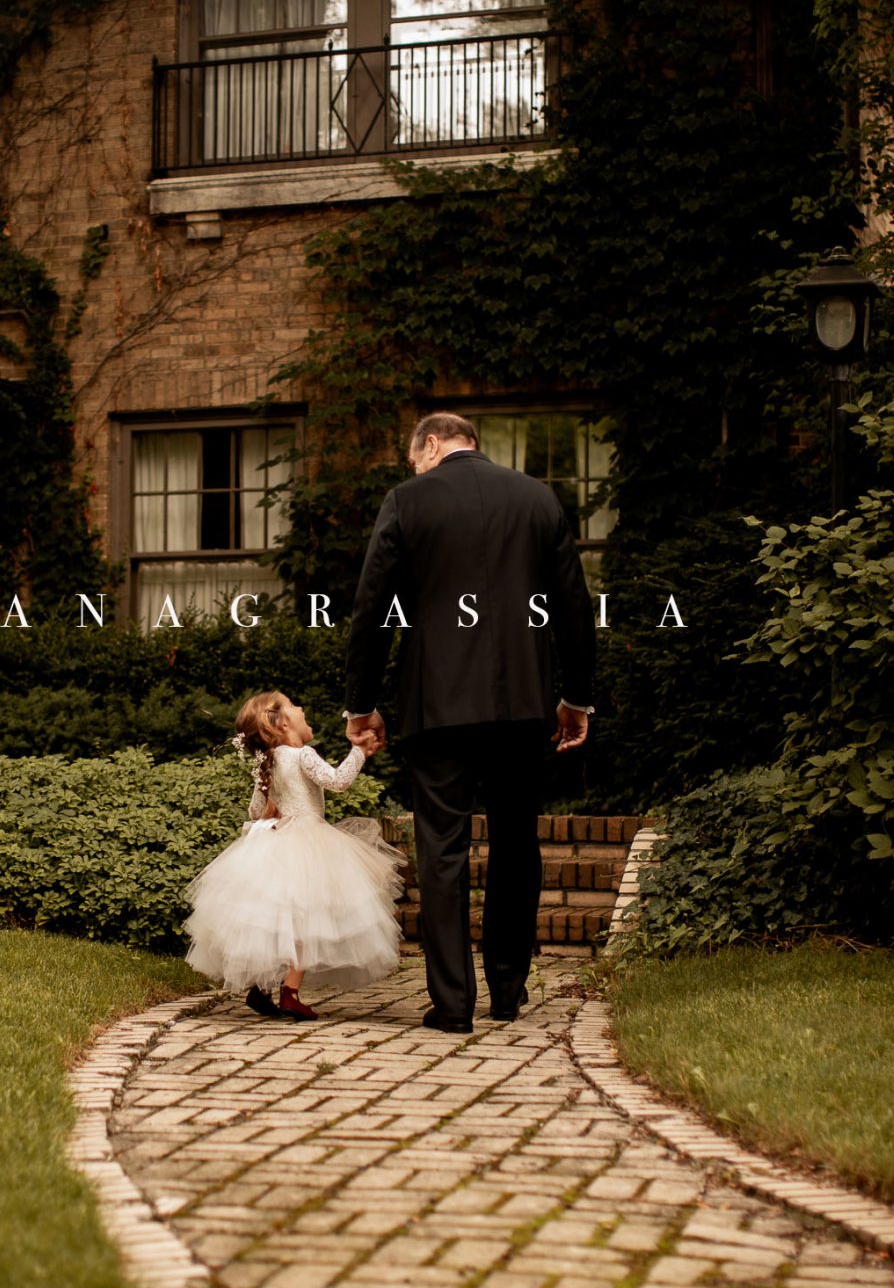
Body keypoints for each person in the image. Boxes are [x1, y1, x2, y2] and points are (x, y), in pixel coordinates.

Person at [344, 412, 596, 1035]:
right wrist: (577, 699)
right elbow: (572, 607)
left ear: (431, 444)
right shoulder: (537, 499)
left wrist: (361, 704)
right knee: (516, 842)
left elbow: (372, 609)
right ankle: (508, 991)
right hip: (522, 704)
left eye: (415, 458)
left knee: (442, 850)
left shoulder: (407, 502)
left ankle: (452, 1004)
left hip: (437, 706)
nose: (415, 470)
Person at [183, 690, 403, 1020]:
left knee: (276, 920)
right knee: (303, 923)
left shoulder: (269, 762)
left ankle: (262, 987)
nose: (301, 708)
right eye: (293, 705)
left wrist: (274, 812)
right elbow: (338, 781)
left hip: (277, 843)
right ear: (284, 722)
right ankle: (291, 991)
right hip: (309, 843)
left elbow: (256, 809)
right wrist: (358, 752)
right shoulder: (303, 755)